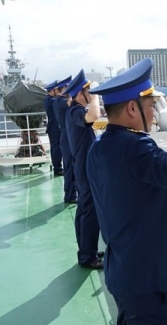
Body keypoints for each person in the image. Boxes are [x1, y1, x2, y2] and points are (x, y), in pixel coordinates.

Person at [87, 58, 167, 325]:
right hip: (151, 280)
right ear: (131, 108)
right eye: (150, 107)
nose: (154, 115)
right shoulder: (134, 147)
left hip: (128, 272)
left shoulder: (100, 147)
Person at [63, 70, 103, 269]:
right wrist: (95, 95)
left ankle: (87, 251)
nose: (92, 95)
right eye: (88, 91)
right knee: (90, 212)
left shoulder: (73, 110)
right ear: (81, 93)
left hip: (83, 165)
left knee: (84, 210)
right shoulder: (77, 111)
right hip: (85, 168)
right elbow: (94, 115)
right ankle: (88, 257)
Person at [53, 75, 77, 203]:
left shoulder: (58, 99)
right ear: (66, 88)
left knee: (72, 166)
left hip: (67, 135)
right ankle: (70, 196)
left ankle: (72, 193)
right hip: (67, 137)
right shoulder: (61, 100)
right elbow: (69, 103)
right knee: (69, 167)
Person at [43, 80, 63, 175]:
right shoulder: (51, 100)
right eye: (56, 90)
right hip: (54, 127)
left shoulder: (48, 99)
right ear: (52, 91)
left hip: (53, 127)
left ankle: (58, 167)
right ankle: (57, 168)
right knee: (56, 148)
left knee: (56, 147)